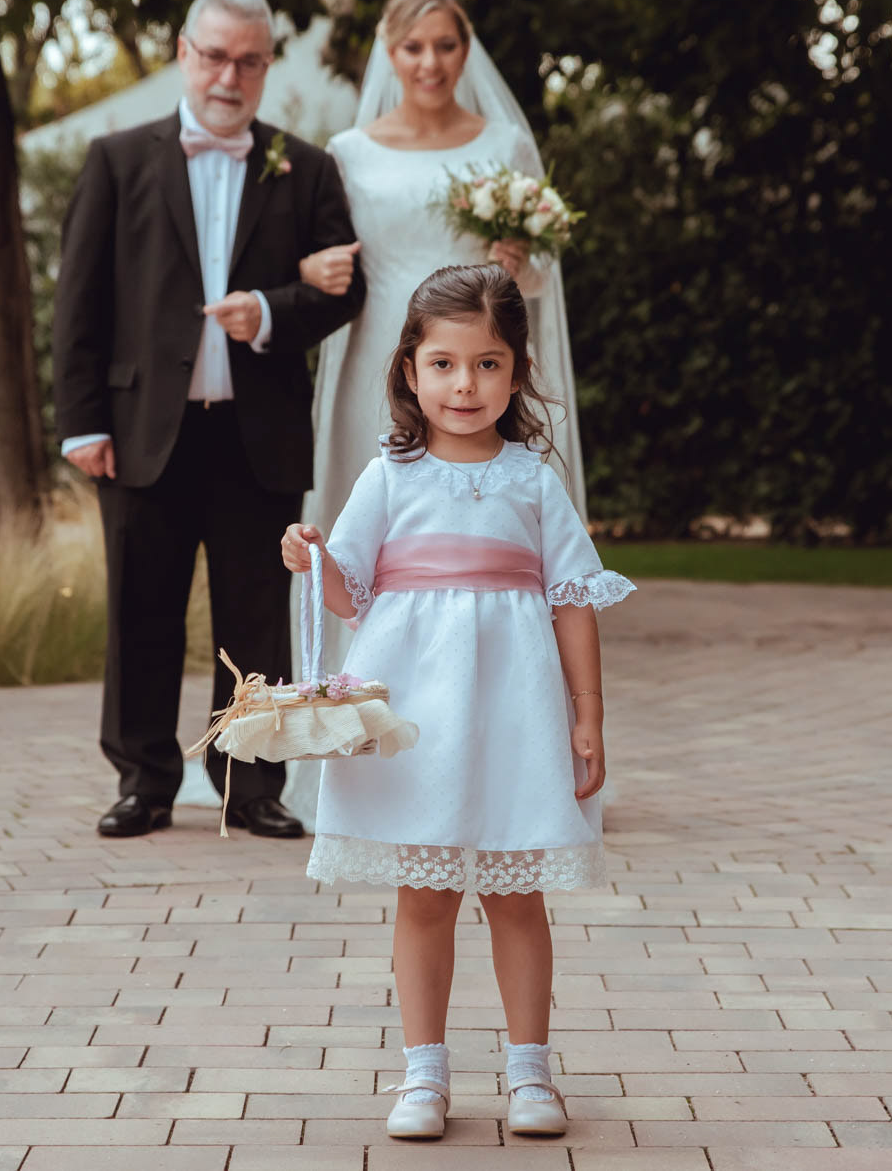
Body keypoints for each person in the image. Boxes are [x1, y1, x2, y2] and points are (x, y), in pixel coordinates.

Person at [279, 264, 634, 1140]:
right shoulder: (389, 477)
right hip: (417, 717)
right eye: (443, 364)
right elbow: (349, 589)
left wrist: (587, 717)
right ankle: (423, 1076)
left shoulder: (532, 481)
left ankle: (530, 1074)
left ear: (517, 373)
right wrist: (311, 557)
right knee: (425, 893)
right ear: (409, 369)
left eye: (486, 364)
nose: (464, 384)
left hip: (515, 712)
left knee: (517, 892)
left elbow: (573, 601)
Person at [54, 0, 366, 840]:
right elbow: (79, 302)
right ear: (184, 52)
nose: (230, 75)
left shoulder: (306, 167)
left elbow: (346, 290)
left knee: (257, 616)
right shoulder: (116, 159)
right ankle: (143, 782)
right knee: (141, 613)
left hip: (256, 434)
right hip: (142, 431)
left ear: (267, 66)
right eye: (215, 55)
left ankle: (254, 784)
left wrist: (269, 312)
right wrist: (82, 421)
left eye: (249, 60)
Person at [286, 0, 588, 825]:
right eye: (414, 46)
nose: (430, 62)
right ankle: (348, 754)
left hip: (475, 353)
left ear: (467, 48)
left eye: (446, 45)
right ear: (389, 50)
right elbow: (321, 254)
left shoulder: (503, 147)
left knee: (473, 546)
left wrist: (524, 264)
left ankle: (497, 748)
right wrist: (309, 273)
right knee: (373, 547)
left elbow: (537, 271)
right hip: (378, 358)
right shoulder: (347, 152)